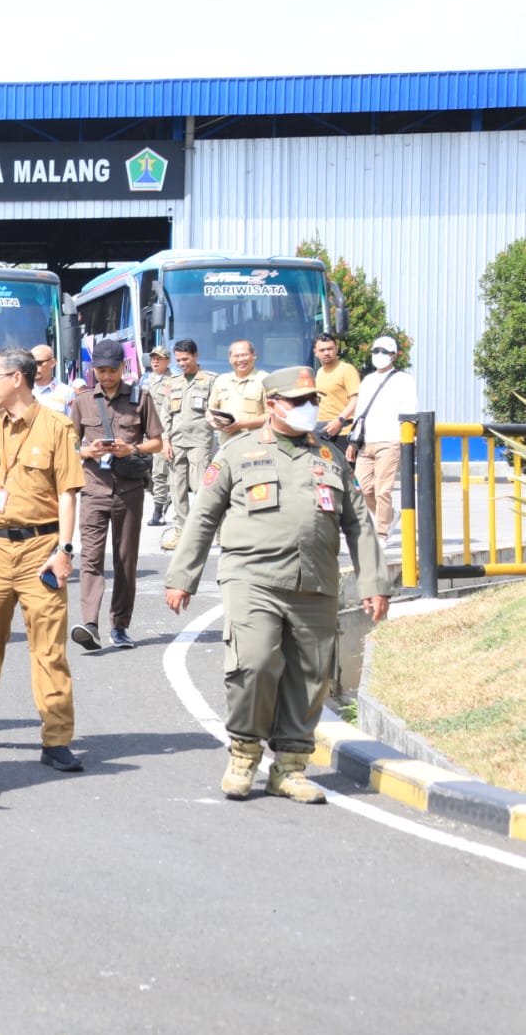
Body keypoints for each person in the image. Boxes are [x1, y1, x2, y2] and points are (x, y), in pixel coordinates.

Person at [165, 366, 392, 803]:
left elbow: (359, 524)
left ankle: (289, 767)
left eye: (312, 400)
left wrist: (374, 583)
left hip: (315, 583)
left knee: (310, 676)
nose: (309, 407)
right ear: (272, 405)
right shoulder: (237, 452)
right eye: (298, 401)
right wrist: (182, 578)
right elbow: (203, 518)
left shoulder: (330, 457)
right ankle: (244, 753)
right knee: (253, 663)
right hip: (252, 579)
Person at [0, 348, 87, 771]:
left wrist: (65, 551)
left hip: (39, 552)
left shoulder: (57, 427)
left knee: (48, 648)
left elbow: (68, 494)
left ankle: (56, 737)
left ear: (18, 379)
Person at [67, 339, 164, 652]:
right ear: (93, 370)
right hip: (93, 489)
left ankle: (120, 626)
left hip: (129, 491)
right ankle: (90, 624)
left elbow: (157, 442)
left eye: (112, 370)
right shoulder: (81, 402)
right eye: (101, 370)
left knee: (125, 561)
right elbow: (70, 445)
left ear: (124, 367)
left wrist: (131, 448)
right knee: (91, 559)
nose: (106, 376)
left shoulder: (140, 398)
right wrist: (88, 451)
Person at [348, 336, 418, 538]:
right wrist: (353, 442)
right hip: (366, 442)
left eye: (385, 352)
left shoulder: (403, 380)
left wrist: (408, 441)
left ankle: (381, 534)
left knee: (382, 490)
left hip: (390, 441)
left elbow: (409, 411)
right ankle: (390, 516)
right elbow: (360, 413)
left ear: (395, 355)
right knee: (364, 488)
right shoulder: (368, 380)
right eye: (376, 351)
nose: (380, 355)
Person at [156, 339, 218, 551]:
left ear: (195, 356)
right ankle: (181, 528)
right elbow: (165, 414)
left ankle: (203, 530)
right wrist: (164, 440)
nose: (182, 363)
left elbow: (217, 410)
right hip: (176, 443)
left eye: (186, 359)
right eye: (179, 360)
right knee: (177, 488)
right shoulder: (173, 382)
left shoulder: (210, 381)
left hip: (200, 442)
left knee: (201, 487)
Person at [141, 345, 174, 526]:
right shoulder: (147, 379)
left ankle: (158, 512)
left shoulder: (174, 381)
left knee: (159, 472)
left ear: (167, 361)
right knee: (141, 469)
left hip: (161, 433)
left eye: (159, 358)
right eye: (153, 358)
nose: (155, 361)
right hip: (145, 433)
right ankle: (162, 497)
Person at [312, 333, 361, 456]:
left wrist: (339, 421)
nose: (326, 353)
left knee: (345, 473)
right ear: (315, 352)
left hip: (343, 431)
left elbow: (356, 400)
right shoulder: (319, 373)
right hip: (322, 431)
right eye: (322, 350)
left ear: (336, 349)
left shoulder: (346, 369)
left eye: (330, 349)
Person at [208, 338, 268, 436]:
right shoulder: (221, 380)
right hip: (227, 442)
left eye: (244, 355)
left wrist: (243, 424)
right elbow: (211, 410)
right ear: (230, 359)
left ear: (254, 355)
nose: (240, 360)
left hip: (254, 442)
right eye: (236, 356)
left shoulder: (265, 380)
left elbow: (272, 415)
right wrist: (213, 421)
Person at [32, 343, 76, 418]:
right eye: (31, 363)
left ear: (52, 363)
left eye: (38, 363)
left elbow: (71, 425)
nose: (34, 367)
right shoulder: (22, 391)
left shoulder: (67, 392)